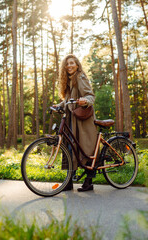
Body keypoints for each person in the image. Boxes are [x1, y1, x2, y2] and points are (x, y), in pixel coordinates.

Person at [54, 54, 98, 192]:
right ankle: (68, 182)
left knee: (86, 148)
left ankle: (88, 182)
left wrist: (86, 101)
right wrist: (59, 105)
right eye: (67, 64)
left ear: (77, 65)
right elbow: (68, 99)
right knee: (69, 147)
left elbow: (90, 95)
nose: (69, 66)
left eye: (72, 63)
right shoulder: (69, 81)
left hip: (83, 120)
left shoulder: (80, 77)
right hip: (72, 119)